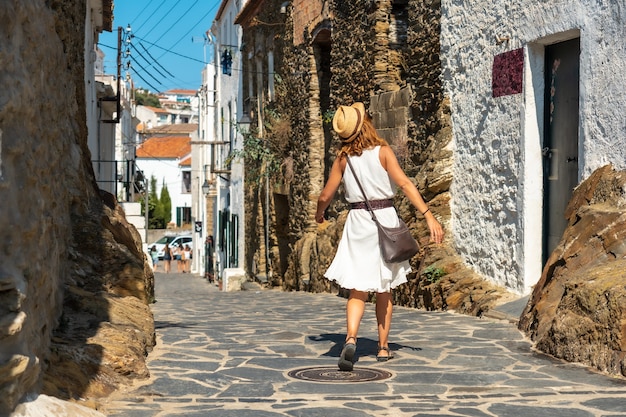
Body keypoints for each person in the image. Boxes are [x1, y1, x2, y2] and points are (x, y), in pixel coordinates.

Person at [315, 102, 444, 371]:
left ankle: (350, 339)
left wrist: (320, 212)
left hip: (358, 223)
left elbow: (326, 195)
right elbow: (405, 184)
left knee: (357, 288)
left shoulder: (343, 159)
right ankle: (383, 349)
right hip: (384, 219)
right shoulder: (383, 152)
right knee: (384, 287)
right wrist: (428, 214)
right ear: (366, 124)